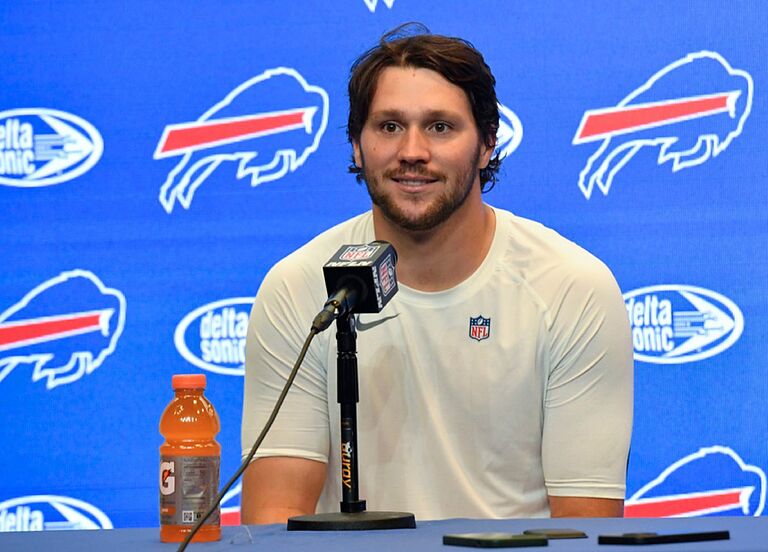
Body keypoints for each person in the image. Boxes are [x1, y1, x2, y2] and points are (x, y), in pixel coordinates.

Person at [241, 23, 633, 523]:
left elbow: (583, 526)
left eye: (440, 127)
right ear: (357, 145)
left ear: (487, 144)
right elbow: (275, 517)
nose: (412, 151)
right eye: (389, 127)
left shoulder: (572, 288)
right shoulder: (300, 286)